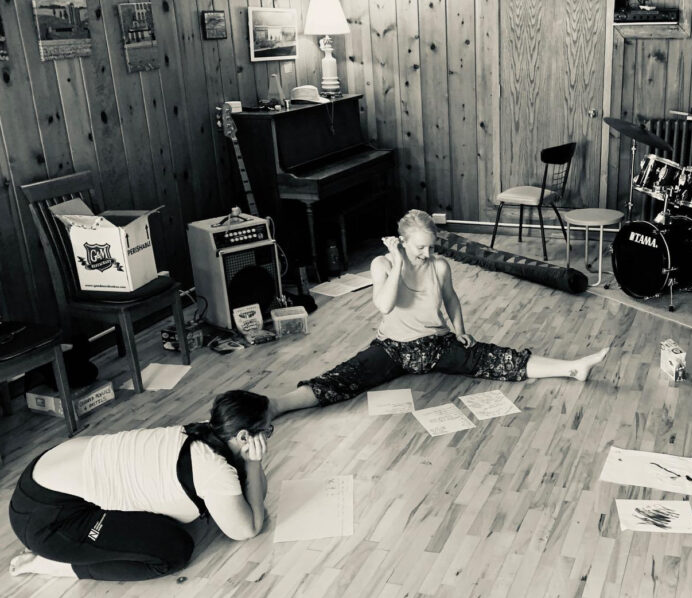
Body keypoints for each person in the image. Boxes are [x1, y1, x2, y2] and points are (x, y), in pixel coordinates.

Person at [270, 209, 608, 417]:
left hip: (436, 344)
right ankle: (276, 406)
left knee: (497, 359)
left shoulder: (440, 265)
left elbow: (451, 299)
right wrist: (400, 262)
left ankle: (572, 368)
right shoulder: (383, 264)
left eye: (431, 246)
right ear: (401, 241)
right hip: (392, 348)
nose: (427, 253)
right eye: (420, 247)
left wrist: (460, 329)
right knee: (341, 379)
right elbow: (385, 305)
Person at [8, 390, 273, 581]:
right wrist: (253, 464)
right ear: (243, 436)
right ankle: (58, 565)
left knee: (166, 523)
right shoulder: (214, 469)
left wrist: (249, 467)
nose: (270, 435)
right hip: (47, 521)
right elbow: (247, 529)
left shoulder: (205, 430)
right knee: (173, 551)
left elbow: (251, 496)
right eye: (267, 431)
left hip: (43, 473)